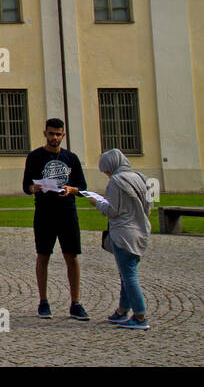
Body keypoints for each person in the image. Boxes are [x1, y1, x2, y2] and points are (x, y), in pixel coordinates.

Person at [22, 118, 88, 320]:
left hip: (67, 211)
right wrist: (34, 188)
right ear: (45, 133)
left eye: (58, 134)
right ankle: (43, 302)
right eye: (51, 134)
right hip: (44, 212)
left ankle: (75, 303)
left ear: (63, 135)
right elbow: (26, 186)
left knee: (72, 256)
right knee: (43, 255)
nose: (54, 138)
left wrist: (72, 189)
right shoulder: (35, 157)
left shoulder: (71, 158)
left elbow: (82, 187)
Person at [86, 149, 153, 330]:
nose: (107, 175)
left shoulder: (116, 181)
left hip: (123, 233)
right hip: (140, 230)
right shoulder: (140, 177)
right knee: (126, 273)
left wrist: (96, 202)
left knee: (129, 275)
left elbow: (111, 210)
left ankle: (140, 316)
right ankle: (123, 311)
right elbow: (150, 204)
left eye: (106, 170)